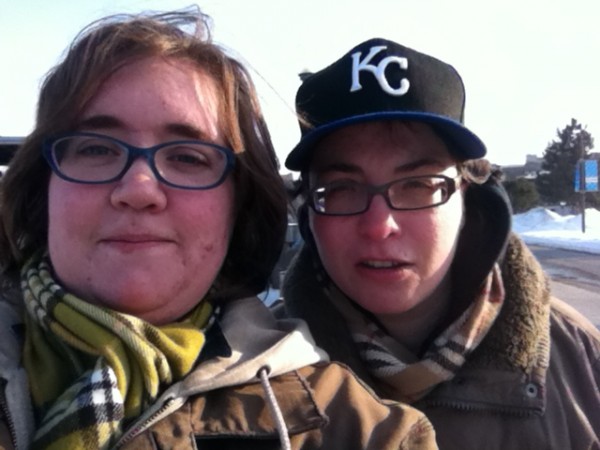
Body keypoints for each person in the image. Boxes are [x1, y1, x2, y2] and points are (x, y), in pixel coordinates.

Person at [0, 15, 439, 450]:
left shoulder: (362, 433)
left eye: (187, 158)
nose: (138, 189)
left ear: (239, 207)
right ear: (42, 186)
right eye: (96, 148)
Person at [280, 37, 600, 449]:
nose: (379, 226)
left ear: (465, 195)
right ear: (309, 208)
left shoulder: (581, 364)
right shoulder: (258, 376)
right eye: (342, 189)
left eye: (418, 185)